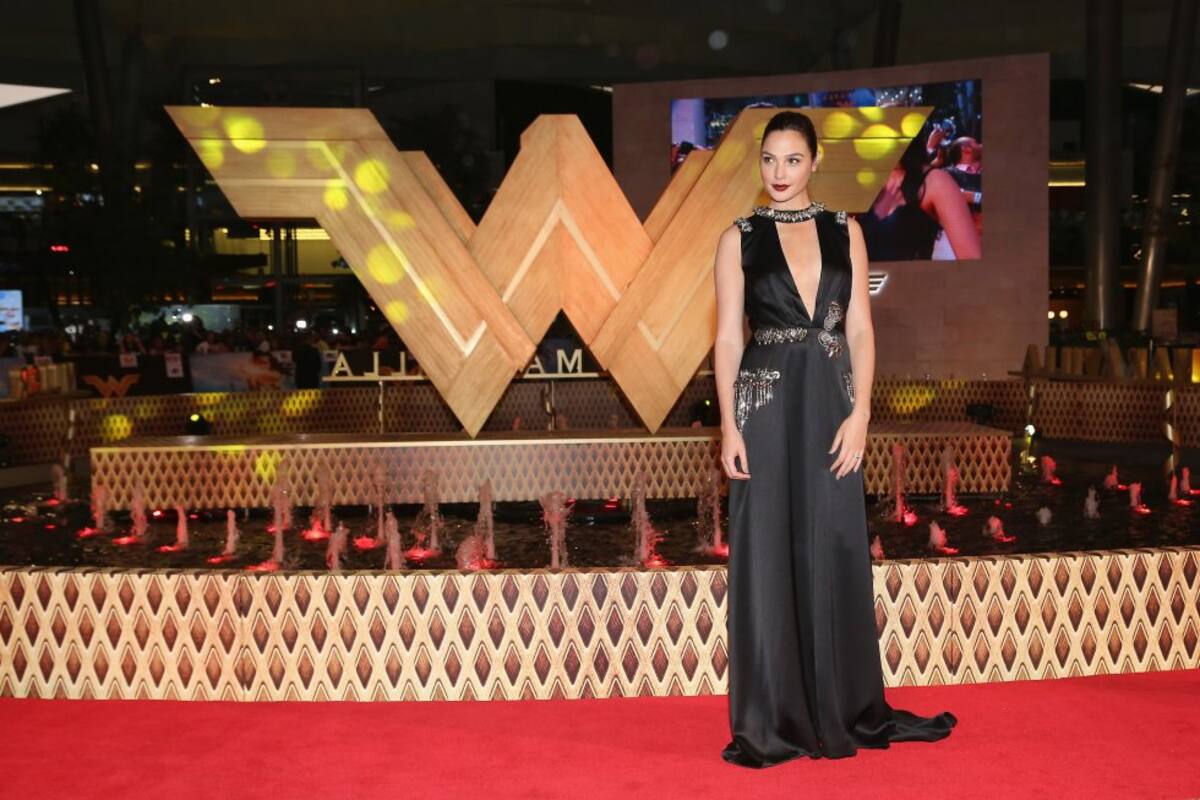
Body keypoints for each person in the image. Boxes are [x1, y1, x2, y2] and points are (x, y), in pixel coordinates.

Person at [712, 110, 957, 768]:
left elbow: (860, 330)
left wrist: (862, 413)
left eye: (792, 160)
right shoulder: (739, 238)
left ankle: (842, 705)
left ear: (815, 162)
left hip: (831, 403)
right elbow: (729, 336)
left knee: (835, 542)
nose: (779, 172)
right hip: (765, 403)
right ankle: (774, 717)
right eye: (769, 160)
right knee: (767, 552)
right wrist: (730, 423)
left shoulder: (845, 229)